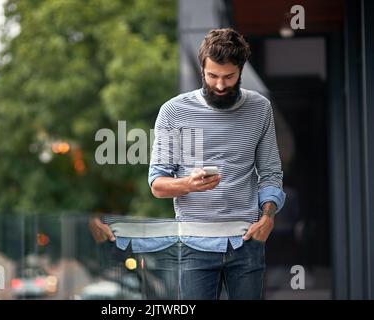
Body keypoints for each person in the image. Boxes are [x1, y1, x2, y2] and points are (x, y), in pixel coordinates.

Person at [92, 28, 286, 300]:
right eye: (212, 76)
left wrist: (268, 217)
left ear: (241, 71)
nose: (220, 85)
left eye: (229, 77)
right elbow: (157, 185)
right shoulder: (173, 111)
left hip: (247, 242)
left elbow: (270, 173)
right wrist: (188, 185)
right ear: (201, 70)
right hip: (194, 246)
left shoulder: (260, 109)